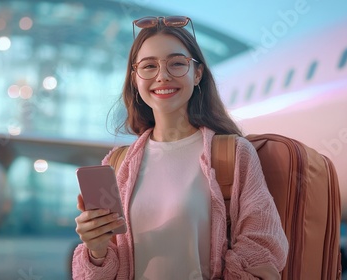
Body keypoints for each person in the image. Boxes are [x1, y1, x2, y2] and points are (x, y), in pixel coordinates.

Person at [72, 16, 288, 279]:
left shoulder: (234, 154)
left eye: (176, 63)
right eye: (149, 66)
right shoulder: (117, 164)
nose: (162, 76)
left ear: (197, 74)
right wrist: (96, 250)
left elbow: (261, 249)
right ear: (135, 79)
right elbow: (107, 269)